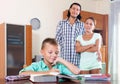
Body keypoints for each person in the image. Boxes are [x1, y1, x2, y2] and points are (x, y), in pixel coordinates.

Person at [55, 3, 84, 67]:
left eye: (77, 10)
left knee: (76, 77)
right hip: (64, 59)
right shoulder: (61, 23)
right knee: (63, 77)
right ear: (70, 10)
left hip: (77, 60)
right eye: (73, 8)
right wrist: (63, 45)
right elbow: (57, 39)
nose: (75, 11)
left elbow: (84, 40)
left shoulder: (82, 25)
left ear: (79, 12)